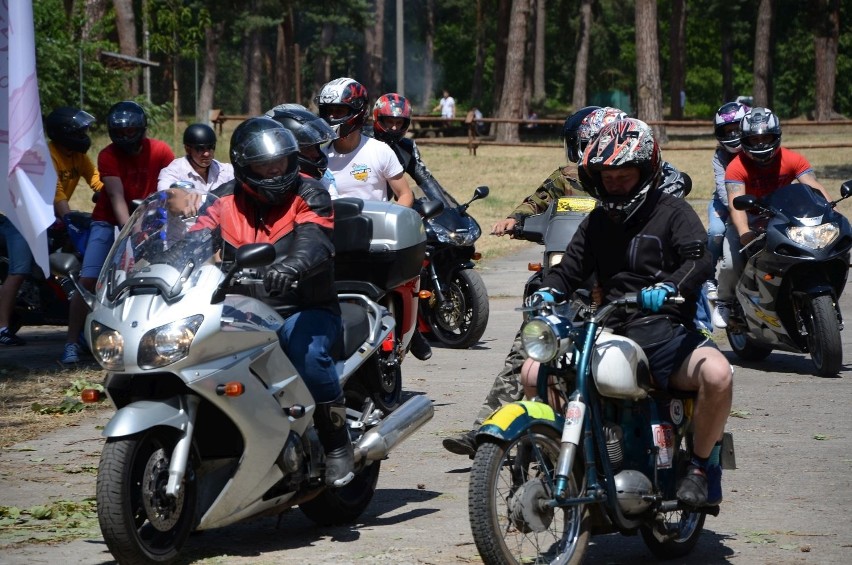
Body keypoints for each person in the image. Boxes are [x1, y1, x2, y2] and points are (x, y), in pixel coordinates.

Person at [443, 108, 700, 457]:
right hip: (576, 274)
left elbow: (686, 241)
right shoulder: (570, 174)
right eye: (591, 143)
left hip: (639, 293)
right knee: (533, 348)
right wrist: (515, 219)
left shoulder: (655, 175)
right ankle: (498, 429)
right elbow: (537, 201)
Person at [530, 118, 732, 507]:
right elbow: (568, 272)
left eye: (624, 176)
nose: (615, 185)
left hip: (665, 332)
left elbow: (699, 260)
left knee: (718, 374)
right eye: (608, 177)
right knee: (533, 371)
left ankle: (700, 468)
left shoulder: (673, 212)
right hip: (606, 329)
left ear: (646, 171)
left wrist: (671, 287)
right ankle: (562, 460)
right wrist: (545, 293)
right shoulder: (596, 223)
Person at [196, 116, 351, 487]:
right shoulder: (220, 200)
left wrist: (294, 266)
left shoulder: (310, 192)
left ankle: (336, 444)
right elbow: (193, 240)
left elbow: (315, 239)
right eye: (264, 165)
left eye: (279, 162)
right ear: (243, 167)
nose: (274, 171)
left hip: (302, 306)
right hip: (240, 311)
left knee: (307, 354)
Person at [61, 101, 174, 363]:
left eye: (130, 130)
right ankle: (70, 342)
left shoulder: (160, 150)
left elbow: (171, 191)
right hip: (109, 220)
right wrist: (131, 233)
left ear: (142, 128)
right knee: (89, 278)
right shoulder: (107, 154)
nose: (125, 137)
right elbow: (115, 196)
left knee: (161, 275)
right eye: (120, 132)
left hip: (152, 219)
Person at [714, 107, 831, 327]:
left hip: (782, 218)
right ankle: (725, 302)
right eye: (754, 139)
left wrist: (831, 211)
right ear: (745, 140)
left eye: (765, 137)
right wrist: (744, 233)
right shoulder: (735, 167)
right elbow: (735, 205)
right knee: (731, 263)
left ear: (776, 136)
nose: (760, 144)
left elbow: (815, 187)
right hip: (749, 220)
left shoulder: (792, 158)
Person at [315, 77, 413, 207]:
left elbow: (405, 194)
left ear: (357, 111)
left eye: (339, 111)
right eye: (328, 111)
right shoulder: (318, 158)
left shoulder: (380, 151)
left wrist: (392, 222)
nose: (332, 117)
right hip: (333, 226)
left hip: (376, 226)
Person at [706, 101, 750, 325]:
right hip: (726, 203)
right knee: (715, 231)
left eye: (737, 128)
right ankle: (709, 275)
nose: (733, 134)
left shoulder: (758, 146)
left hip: (757, 203)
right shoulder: (720, 157)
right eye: (727, 130)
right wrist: (741, 208)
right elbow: (725, 194)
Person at [265, 103, 340, 198]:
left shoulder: (324, 182)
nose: (316, 154)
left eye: (317, 146)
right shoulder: (261, 184)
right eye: (307, 148)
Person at [157, 123, 234, 193]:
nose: (207, 154)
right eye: (200, 149)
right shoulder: (173, 173)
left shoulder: (225, 171)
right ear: (188, 149)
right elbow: (165, 195)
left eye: (210, 147)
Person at [0, 218, 32, 346]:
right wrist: (66, 216)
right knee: (18, 272)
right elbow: (59, 198)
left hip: (32, 223)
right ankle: (2, 329)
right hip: (20, 222)